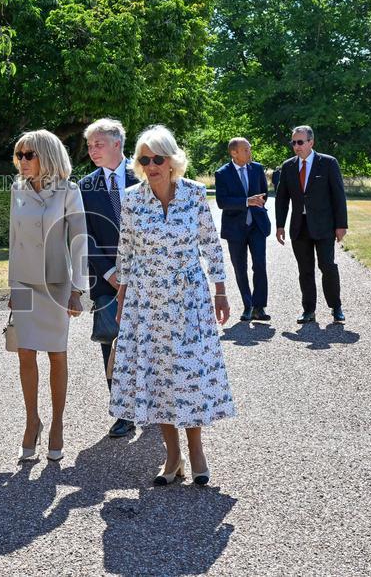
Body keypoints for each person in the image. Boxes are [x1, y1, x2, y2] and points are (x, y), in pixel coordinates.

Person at [110, 125, 235, 486]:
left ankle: (196, 450)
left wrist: (221, 291)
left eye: (157, 158)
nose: (151, 165)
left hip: (189, 299)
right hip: (146, 302)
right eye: (144, 159)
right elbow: (126, 252)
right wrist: (121, 299)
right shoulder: (132, 199)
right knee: (158, 374)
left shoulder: (195, 194)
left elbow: (211, 244)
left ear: (172, 160)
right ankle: (172, 454)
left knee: (190, 373)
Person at [8, 130, 88, 462]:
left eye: (29, 155)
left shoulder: (68, 191)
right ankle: (32, 422)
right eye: (19, 155)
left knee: (57, 354)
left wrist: (77, 289)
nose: (22, 161)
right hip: (25, 283)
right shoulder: (17, 190)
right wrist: (12, 287)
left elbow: (79, 240)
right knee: (25, 352)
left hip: (56, 284)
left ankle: (57, 425)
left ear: (47, 156)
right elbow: (13, 238)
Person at [77, 118, 140, 439]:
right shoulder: (85, 187)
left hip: (146, 279)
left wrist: (135, 273)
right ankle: (122, 412)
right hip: (105, 280)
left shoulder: (144, 174)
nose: (92, 151)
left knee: (150, 342)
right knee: (111, 343)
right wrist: (112, 273)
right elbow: (83, 236)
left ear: (118, 143)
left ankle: (156, 406)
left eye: (98, 144)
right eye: (89, 146)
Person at [274, 125, 348, 324]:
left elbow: (338, 196)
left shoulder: (328, 163)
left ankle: (336, 307)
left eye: (300, 142)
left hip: (324, 226)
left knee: (327, 266)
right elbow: (282, 199)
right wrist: (280, 225)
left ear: (311, 142)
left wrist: (341, 225)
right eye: (294, 142)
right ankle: (308, 310)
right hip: (299, 227)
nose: (296, 146)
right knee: (305, 270)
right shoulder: (288, 166)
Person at [214, 137, 271, 322]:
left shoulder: (257, 168)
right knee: (240, 268)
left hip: (257, 225)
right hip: (235, 229)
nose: (249, 152)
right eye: (246, 150)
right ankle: (247, 305)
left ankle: (259, 307)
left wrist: (257, 203)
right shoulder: (222, 173)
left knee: (260, 265)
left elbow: (264, 193)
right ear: (234, 153)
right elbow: (222, 202)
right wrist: (246, 201)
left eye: (249, 149)